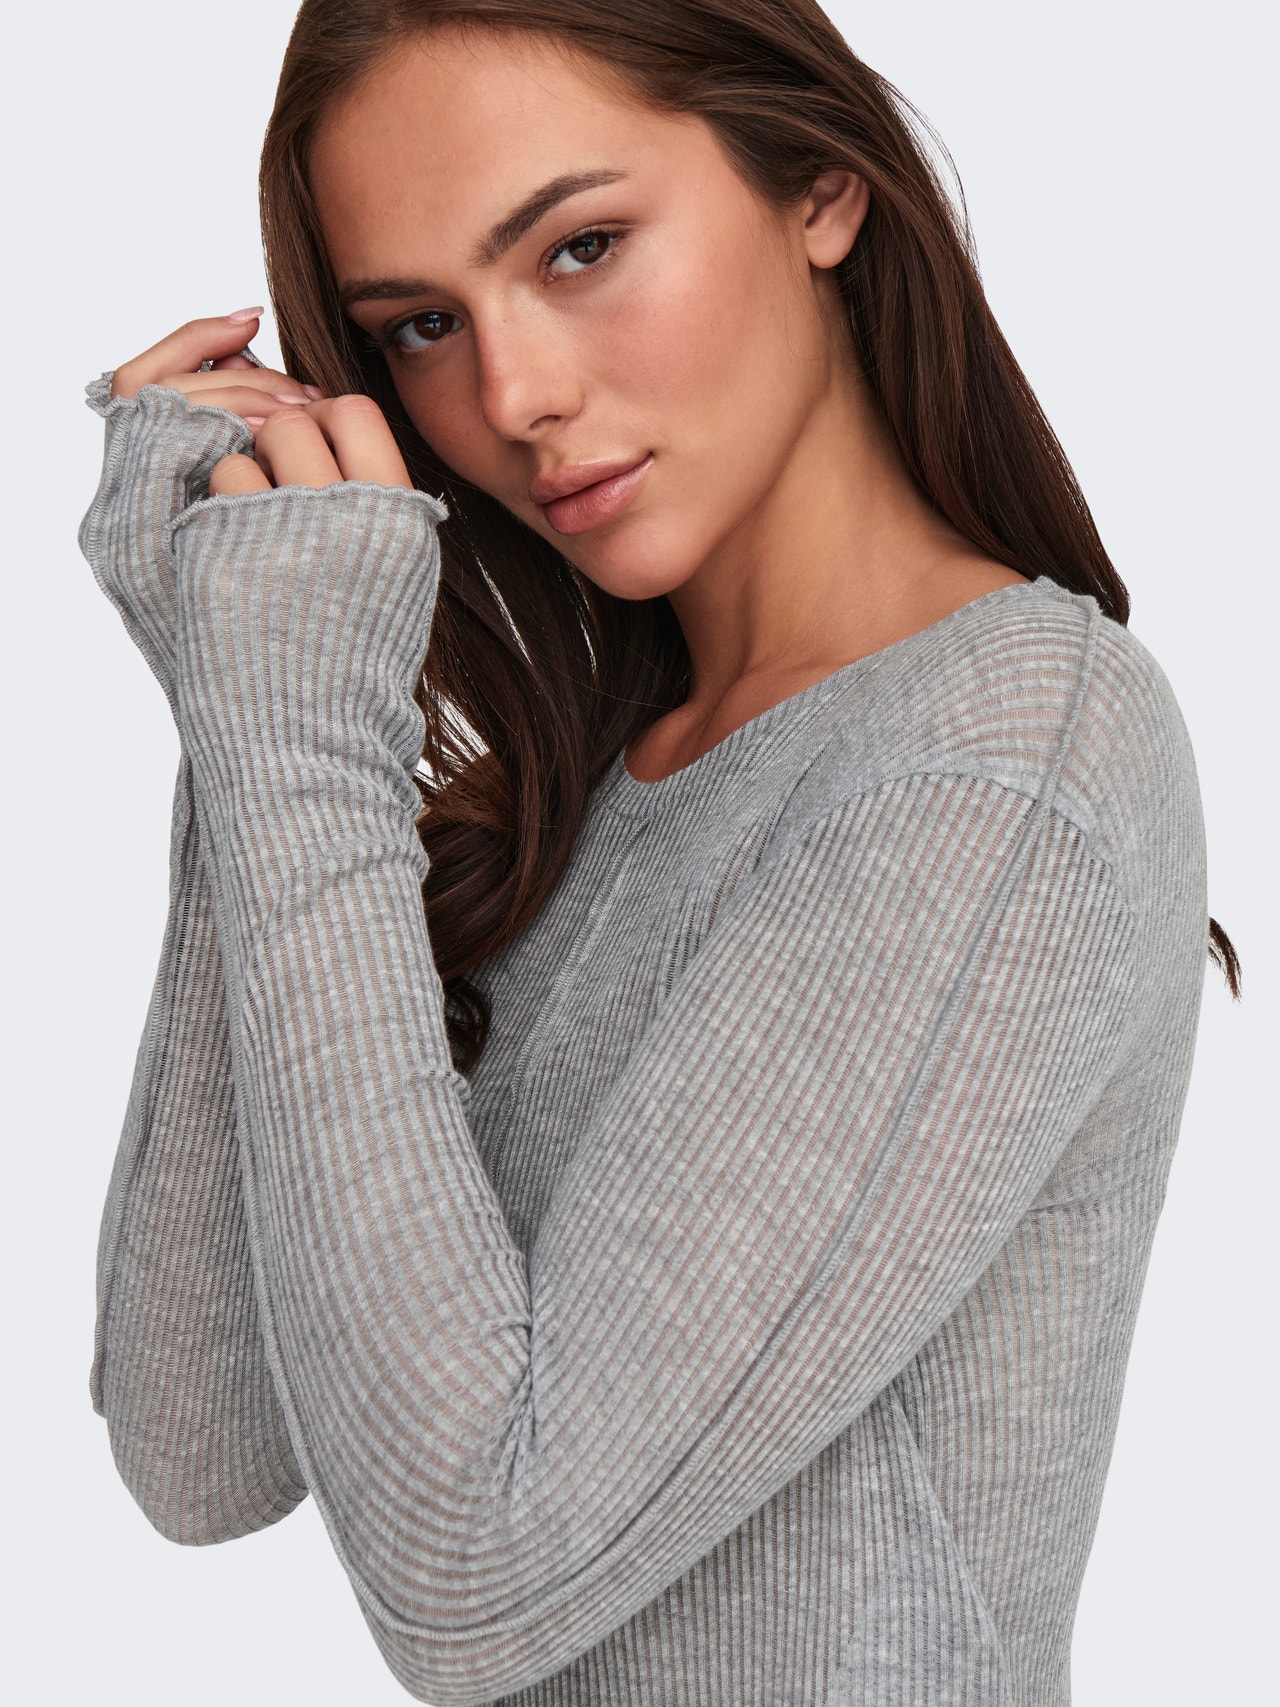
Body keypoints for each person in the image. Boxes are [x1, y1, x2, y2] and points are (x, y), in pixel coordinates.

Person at [78, 2, 1238, 1702]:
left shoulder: (994, 762)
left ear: (819, 186)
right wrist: (241, 687)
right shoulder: (579, 791)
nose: (515, 396)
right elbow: (202, 1446)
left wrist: (301, 742)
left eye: (581, 246)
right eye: (420, 326)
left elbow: (471, 1576)